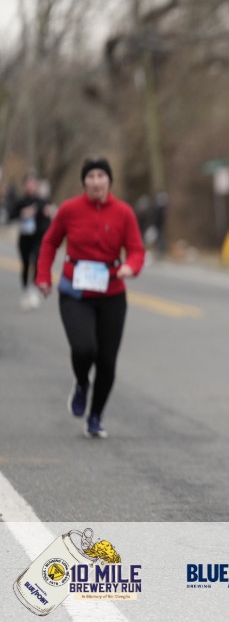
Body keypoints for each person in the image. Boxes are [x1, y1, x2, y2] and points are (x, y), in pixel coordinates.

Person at [35, 157, 145, 438]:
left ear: (109, 180)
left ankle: (95, 416)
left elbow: (136, 249)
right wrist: (43, 276)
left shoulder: (123, 213)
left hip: (112, 293)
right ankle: (82, 382)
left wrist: (130, 266)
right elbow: (50, 242)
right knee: (85, 349)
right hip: (76, 292)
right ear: (84, 181)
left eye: (101, 176)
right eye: (91, 176)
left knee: (107, 362)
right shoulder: (70, 210)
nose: (96, 182)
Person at [8, 172, 53, 310]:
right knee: (26, 264)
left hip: (38, 237)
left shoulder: (42, 202)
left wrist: (46, 214)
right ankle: (25, 289)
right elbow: (11, 216)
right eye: (28, 183)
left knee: (36, 261)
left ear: (36, 185)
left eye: (32, 183)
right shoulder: (20, 202)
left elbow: (48, 220)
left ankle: (33, 288)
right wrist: (22, 213)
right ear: (24, 185)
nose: (30, 186)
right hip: (25, 238)